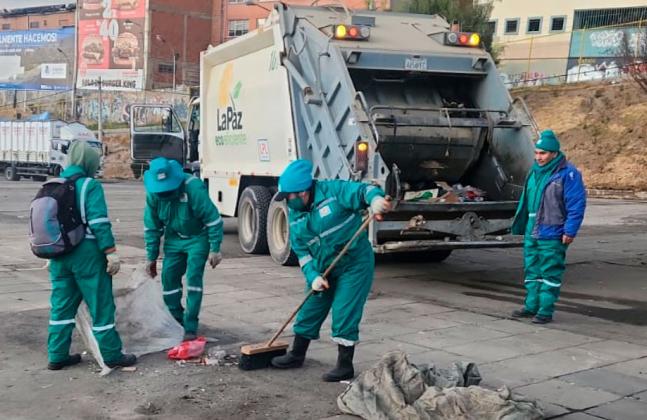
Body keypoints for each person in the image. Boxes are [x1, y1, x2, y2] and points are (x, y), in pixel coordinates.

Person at [270, 159, 391, 382]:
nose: (287, 202)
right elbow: (302, 252)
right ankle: (297, 354)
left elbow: (364, 190)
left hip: (353, 264)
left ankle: (345, 366)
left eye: (289, 197)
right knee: (310, 306)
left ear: (303, 192)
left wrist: (375, 200)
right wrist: (313, 276)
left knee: (344, 311)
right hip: (323, 267)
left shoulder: (334, 192)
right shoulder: (295, 215)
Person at [47, 141, 136, 370]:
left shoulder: (53, 184)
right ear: (89, 162)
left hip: (58, 254)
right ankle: (111, 354)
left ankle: (57, 355)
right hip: (86, 254)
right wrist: (110, 252)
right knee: (100, 305)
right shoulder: (90, 186)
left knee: (61, 308)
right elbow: (98, 222)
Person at [143, 157, 224, 341]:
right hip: (174, 238)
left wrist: (215, 248)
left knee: (194, 278)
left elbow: (213, 219)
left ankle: (190, 326)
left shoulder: (193, 188)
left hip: (198, 237)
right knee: (168, 277)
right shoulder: (153, 196)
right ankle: (176, 319)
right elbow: (152, 228)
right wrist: (151, 257)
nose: (164, 194)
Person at [510, 130, 586, 324]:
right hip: (531, 230)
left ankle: (545, 310)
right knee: (532, 271)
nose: (538, 157)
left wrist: (570, 230)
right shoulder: (534, 172)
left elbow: (576, 204)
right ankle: (531, 306)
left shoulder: (568, 173)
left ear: (554, 153)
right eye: (536, 153)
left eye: (543, 153)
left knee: (550, 272)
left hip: (552, 232)